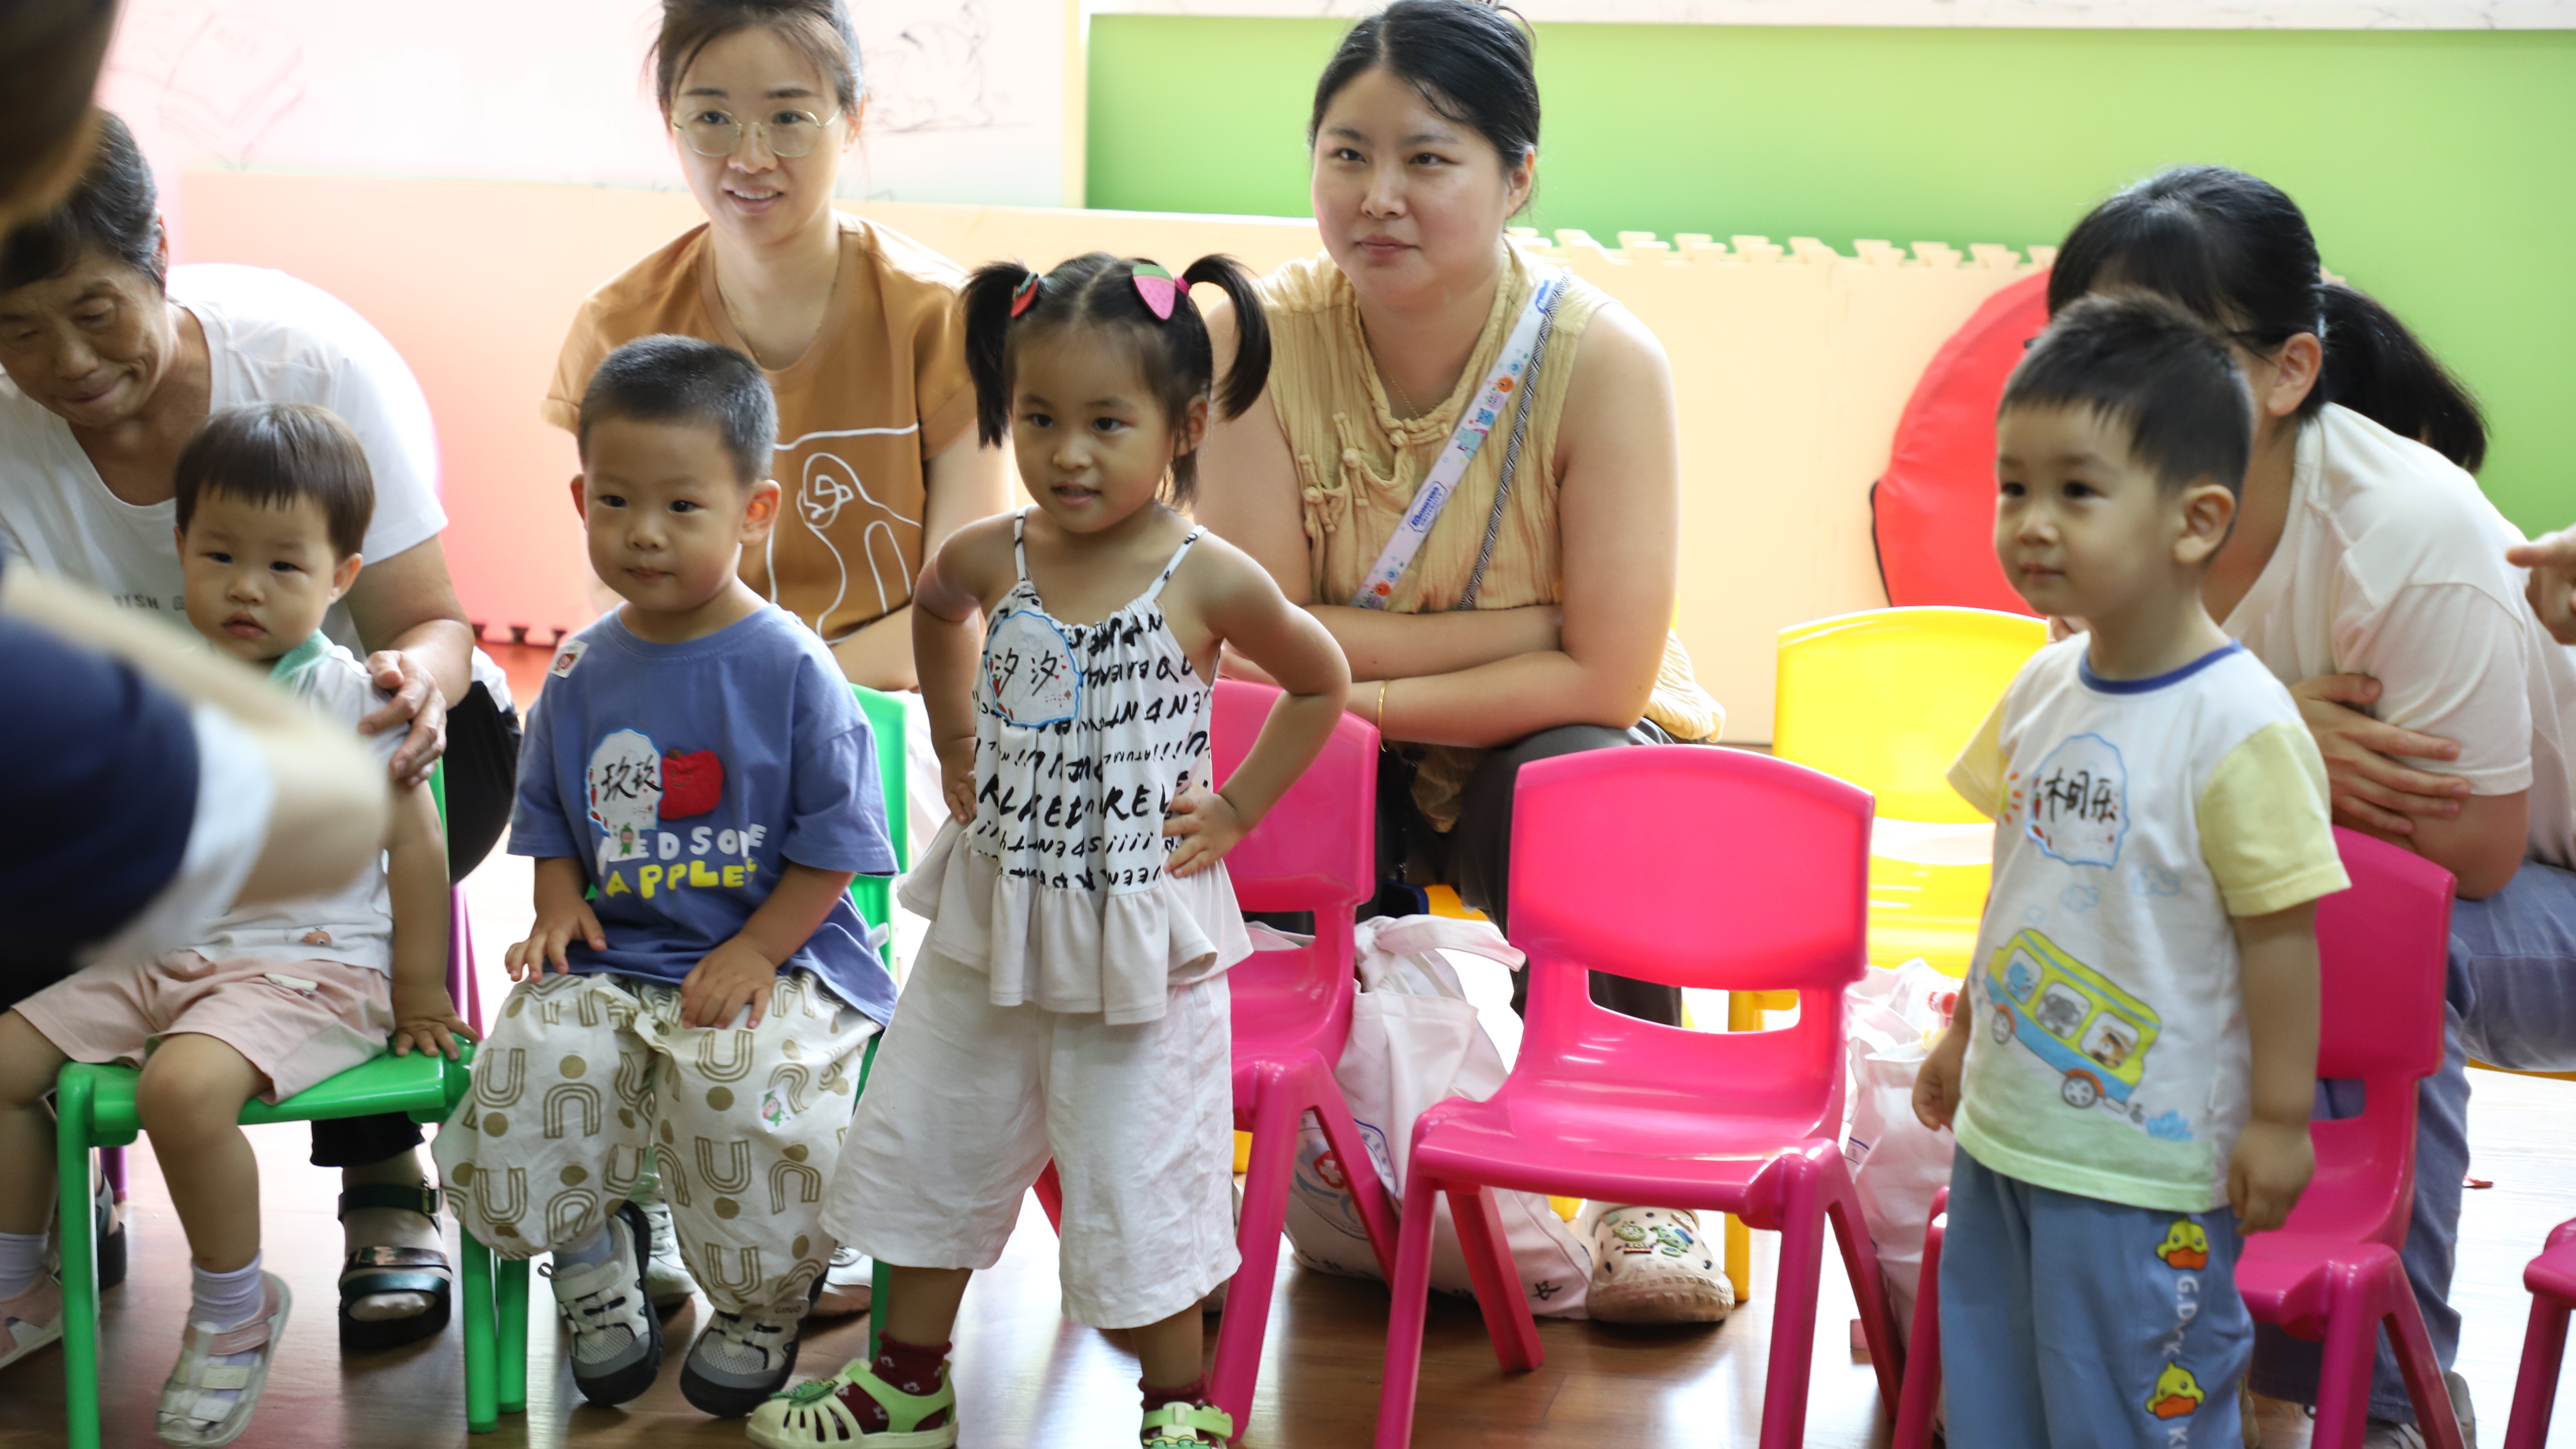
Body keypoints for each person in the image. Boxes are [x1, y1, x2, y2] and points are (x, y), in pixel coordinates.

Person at [747, 253, 1347, 1449]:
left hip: (1135, 943)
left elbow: (1320, 681)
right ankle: (906, 1383)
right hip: (991, 926)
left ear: (1183, 427)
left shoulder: (1207, 575)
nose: (1068, 453)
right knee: (935, 1137)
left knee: (1138, 1169)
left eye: (1106, 423)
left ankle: (1178, 1403)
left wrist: (1236, 809)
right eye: (1039, 419)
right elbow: (935, 608)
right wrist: (956, 741)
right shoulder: (995, 554)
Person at [1192, 0, 1730, 1325]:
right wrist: (1520, 629)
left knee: (1589, 786)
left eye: (1428, 158)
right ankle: (1263, 1174)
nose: (1378, 196)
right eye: (1347, 154)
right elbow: (1259, 641)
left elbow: (1606, 680)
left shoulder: (1603, 361)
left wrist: (1357, 681)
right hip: (1334, 734)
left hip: (1532, 732)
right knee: (1261, 772)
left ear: (1518, 175)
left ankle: (1638, 1182)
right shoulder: (1251, 342)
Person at [2047, 165, 2576, 1445]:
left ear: (2289, 372)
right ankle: (2160, 1333)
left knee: (2343, 934)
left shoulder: (2406, 534)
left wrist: (2236, 745)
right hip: (2394, 867)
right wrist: (2269, 729)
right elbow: (2103, 761)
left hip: (2537, 883)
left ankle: (2388, 1395)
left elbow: (2478, 849)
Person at [0, 111, 515, 1336]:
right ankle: (48, 1199)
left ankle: (383, 1170)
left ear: (158, 252)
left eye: (95, 311)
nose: (68, 362)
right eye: (16, 329)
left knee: (387, 800)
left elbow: (432, 619)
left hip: (353, 749)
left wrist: (412, 683)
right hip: (146, 778)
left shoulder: (306, 367)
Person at [544, 0, 1010, 1313]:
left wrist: (777, 683)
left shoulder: (941, 316)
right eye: (711, 117)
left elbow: (962, 596)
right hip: (679, 693)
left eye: (789, 116)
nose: (748, 154)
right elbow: (615, 581)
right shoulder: (622, 319)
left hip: (887, 696)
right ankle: (639, 1177)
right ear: (671, 126)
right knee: (615, 835)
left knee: (883, 843)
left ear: (853, 122)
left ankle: (837, 1174)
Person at [433, 335, 897, 1417]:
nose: (643, 531)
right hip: (622, 952)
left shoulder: (791, 665)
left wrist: (757, 948)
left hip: (780, 955)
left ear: (755, 509)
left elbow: (835, 845)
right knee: (531, 1056)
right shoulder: (582, 666)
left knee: (745, 1088)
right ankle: (592, 1251)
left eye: (682, 506)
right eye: (616, 501)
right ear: (581, 497)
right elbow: (552, 811)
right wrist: (557, 902)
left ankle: (762, 1297)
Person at [1911, 296, 2344, 1448]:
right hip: (2007, 1134)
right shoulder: (2042, 685)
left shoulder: (2239, 723)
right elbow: (2016, 885)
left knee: (2133, 1416)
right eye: (2014, 487)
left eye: (2077, 491)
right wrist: (1963, 1033)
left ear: (2197, 520)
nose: (2032, 524)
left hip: (2147, 1172)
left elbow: (2282, 935)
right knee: (1997, 1405)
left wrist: (2280, 1119)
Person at [0, 403, 470, 1445]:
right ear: (180, 547)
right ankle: (18, 1290)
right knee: (3, 1064)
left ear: (342, 577)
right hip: (167, 955)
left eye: (284, 566)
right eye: (220, 555)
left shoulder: (358, 697)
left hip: (310, 969)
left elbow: (418, 845)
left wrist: (420, 989)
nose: (247, 587)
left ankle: (234, 1313)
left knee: (181, 1091)